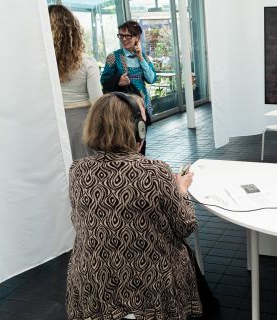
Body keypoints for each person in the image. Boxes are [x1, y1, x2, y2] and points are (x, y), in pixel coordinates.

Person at [66, 93, 202, 319]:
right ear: (138, 129)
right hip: (153, 287)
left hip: (93, 285)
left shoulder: (77, 170)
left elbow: (79, 222)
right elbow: (185, 226)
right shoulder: (156, 171)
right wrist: (181, 191)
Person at [48, 4, 102, 160]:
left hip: (52, 125)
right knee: (84, 172)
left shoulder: (42, 66)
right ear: (73, 31)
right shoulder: (86, 62)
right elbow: (97, 102)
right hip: (82, 126)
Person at [101, 20, 157, 116]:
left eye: (128, 36)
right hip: (123, 105)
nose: (123, 39)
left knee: (142, 129)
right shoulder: (113, 56)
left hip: (143, 103)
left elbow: (152, 79)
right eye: (121, 36)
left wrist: (140, 58)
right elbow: (103, 80)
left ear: (137, 37)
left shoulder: (143, 56)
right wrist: (118, 81)